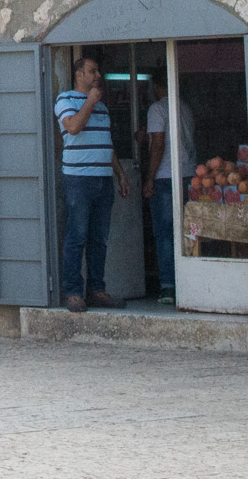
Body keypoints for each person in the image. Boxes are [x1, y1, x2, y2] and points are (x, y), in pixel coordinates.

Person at [54, 54, 125, 310]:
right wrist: (91, 102)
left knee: (99, 239)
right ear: (79, 75)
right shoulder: (65, 100)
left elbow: (106, 143)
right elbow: (72, 127)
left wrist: (120, 174)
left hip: (103, 180)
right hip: (79, 180)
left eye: (98, 71)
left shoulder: (102, 107)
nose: (98, 76)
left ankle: (97, 290)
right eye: (92, 71)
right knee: (77, 236)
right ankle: (73, 292)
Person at [142, 76, 195, 301]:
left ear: (156, 86)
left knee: (164, 233)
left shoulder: (157, 108)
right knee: (186, 230)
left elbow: (159, 145)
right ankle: (190, 282)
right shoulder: (184, 106)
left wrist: (150, 178)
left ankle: (168, 286)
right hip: (189, 173)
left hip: (166, 176)